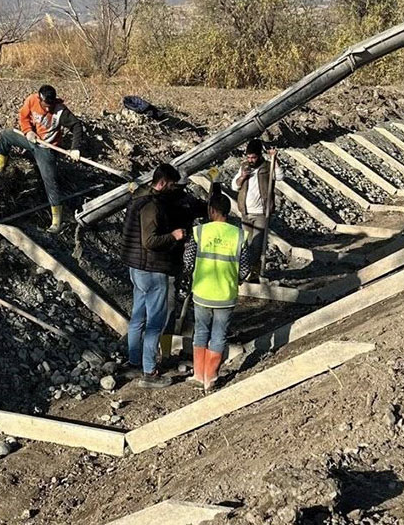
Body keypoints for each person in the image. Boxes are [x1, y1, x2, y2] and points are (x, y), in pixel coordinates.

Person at [120, 163, 206, 389]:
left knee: (138, 317)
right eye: (172, 185)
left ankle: (134, 361)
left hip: (135, 268)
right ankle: (150, 372)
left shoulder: (137, 199)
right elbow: (150, 241)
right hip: (152, 269)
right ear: (162, 183)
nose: (174, 190)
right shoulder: (153, 206)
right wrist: (174, 236)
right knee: (155, 322)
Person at [181, 183, 249, 392]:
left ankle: (198, 375)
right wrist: (236, 280)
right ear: (228, 212)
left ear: (211, 210)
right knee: (219, 335)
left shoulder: (200, 232)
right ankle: (211, 378)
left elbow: (188, 259)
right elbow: (245, 268)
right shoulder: (238, 235)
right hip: (225, 294)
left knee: (201, 331)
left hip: (202, 291)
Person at [0, 85, 84, 233]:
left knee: (50, 182)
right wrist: (28, 131)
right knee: (6, 135)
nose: (48, 109)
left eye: (50, 106)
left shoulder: (60, 110)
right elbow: (23, 116)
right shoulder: (31, 100)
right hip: (31, 139)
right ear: (40, 99)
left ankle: (56, 222)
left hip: (47, 149)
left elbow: (77, 125)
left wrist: (75, 148)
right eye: (45, 105)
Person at [229, 138, 283, 278]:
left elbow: (280, 177)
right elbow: (234, 186)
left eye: (253, 157)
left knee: (257, 245)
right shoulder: (244, 168)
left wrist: (275, 159)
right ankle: (247, 271)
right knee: (245, 245)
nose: (251, 160)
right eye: (248, 157)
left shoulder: (267, 167)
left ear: (259, 156)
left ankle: (252, 272)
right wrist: (242, 177)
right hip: (246, 213)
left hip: (261, 213)